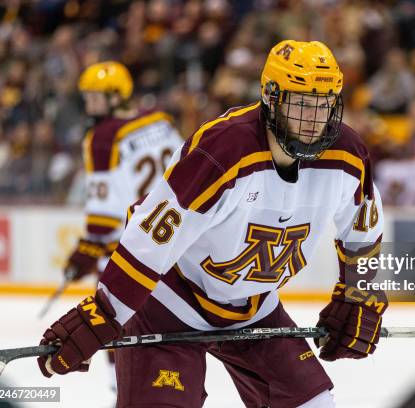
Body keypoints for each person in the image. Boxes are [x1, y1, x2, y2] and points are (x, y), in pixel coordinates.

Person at [38, 41, 387, 408]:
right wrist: (105, 313)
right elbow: (152, 237)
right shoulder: (224, 149)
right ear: (271, 97)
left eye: (324, 103)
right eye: (301, 102)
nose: (315, 119)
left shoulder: (347, 153)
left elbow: (363, 233)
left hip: (255, 308)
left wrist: (357, 293)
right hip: (171, 301)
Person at [64, 61, 184, 283]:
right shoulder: (161, 119)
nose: (88, 105)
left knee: (114, 314)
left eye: (94, 98)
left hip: (131, 247)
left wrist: (88, 249)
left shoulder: (102, 137)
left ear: (115, 97)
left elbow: (104, 213)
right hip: (174, 235)